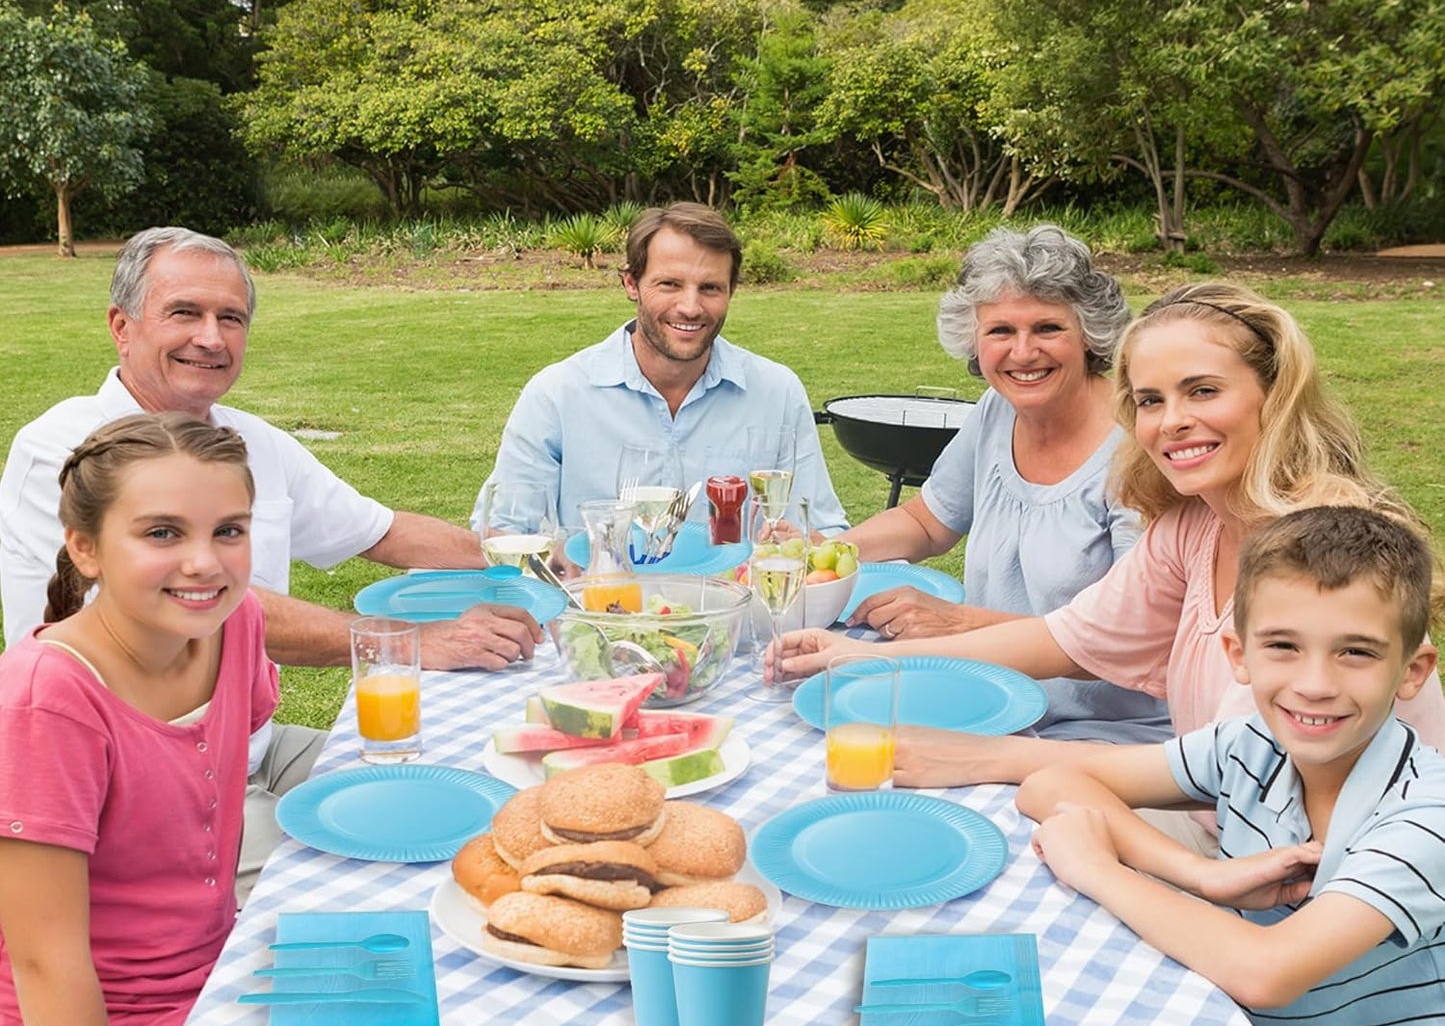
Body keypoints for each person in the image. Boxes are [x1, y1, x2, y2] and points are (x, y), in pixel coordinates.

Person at [0, 228, 543, 898]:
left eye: (231, 318)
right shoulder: (66, 450)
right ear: (122, 326)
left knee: (470, 802)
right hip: (139, 791)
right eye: (185, 313)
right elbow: (196, 618)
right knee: (374, 885)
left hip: (251, 745)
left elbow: (382, 529)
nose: (212, 336)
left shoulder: (250, 440)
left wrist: (539, 560)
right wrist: (408, 644)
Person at [778, 282, 1445, 785]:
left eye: (1203, 391)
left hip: (1321, 874)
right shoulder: (1193, 526)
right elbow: (1066, 635)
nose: (1170, 421)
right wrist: (859, 658)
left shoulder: (1322, 556)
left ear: (1273, 394)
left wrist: (1001, 758)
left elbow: (1241, 776)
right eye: (1150, 401)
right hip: (1231, 828)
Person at [1018, 506, 1445, 1026]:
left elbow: (1264, 971)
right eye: (1282, 645)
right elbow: (1050, 784)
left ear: (1412, 669)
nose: (1313, 683)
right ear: (1238, 655)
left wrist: (1100, 867)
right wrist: (1201, 874)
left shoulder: (1423, 818)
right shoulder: (1249, 741)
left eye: (1355, 652)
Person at [0, 413, 277, 1026]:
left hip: (216, 986)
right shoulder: (47, 701)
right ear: (83, 546)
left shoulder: (237, 624)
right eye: (161, 532)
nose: (203, 562)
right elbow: (46, 962)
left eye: (229, 530)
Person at [844, 224, 1169, 743]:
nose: (1022, 353)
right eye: (1000, 331)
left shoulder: (1137, 447)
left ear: (1090, 334)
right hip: (991, 704)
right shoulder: (997, 410)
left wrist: (959, 623)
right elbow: (926, 523)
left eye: (1047, 328)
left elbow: (1127, 640)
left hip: (1103, 732)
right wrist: (822, 552)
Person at [472, 202, 848, 535]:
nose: (690, 306)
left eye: (710, 288)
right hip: (599, 613)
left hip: (740, 612)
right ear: (631, 283)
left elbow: (820, 532)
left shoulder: (776, 392)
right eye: (669, 284)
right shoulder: (557, 395)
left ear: (731, 291)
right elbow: (504, 533)